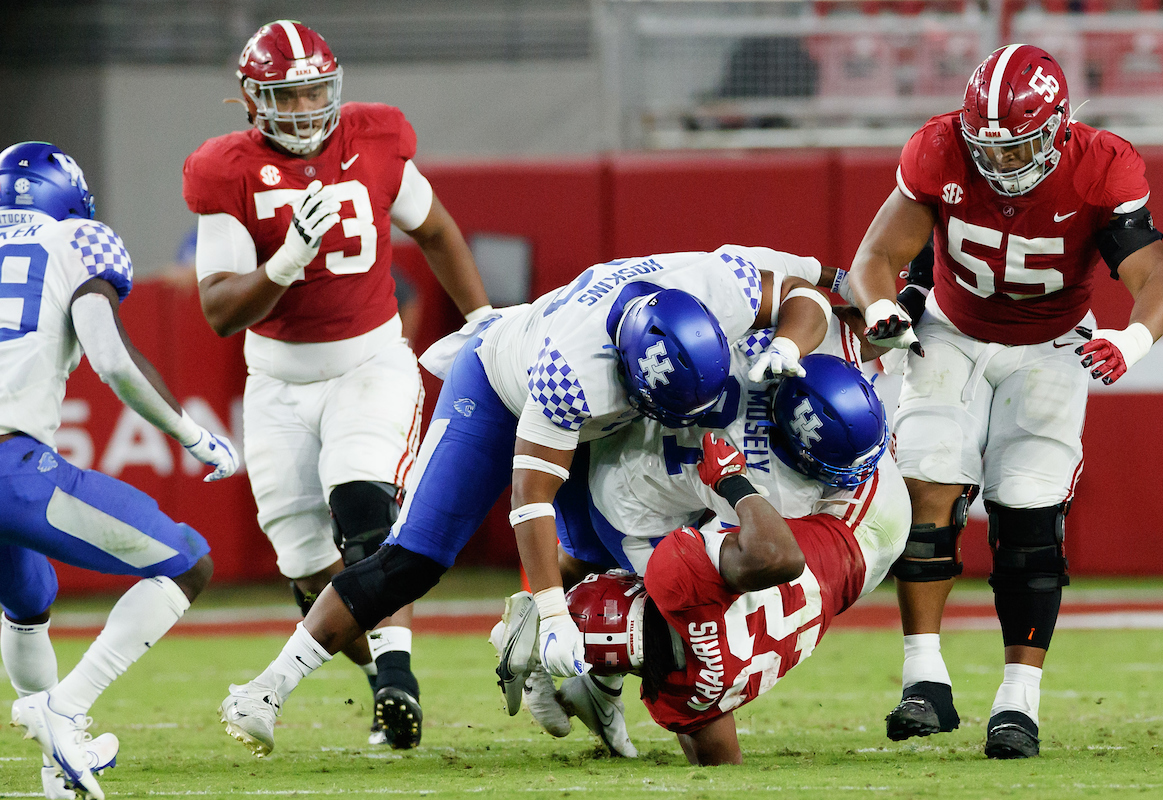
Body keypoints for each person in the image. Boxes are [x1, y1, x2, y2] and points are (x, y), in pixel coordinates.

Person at [216, 243, 835, 756]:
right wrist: (555, 613)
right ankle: (267, 687)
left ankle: (578, 678)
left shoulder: (714, 286)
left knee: (657, 569)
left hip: (608, 420)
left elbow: (804, 297)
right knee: (415, 558)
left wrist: (789, 347)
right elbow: (531, 496)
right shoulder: (573, 371)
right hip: (499, 388)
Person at [845, 43, 1163, 758]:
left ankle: (1017, 704)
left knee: (1029, 506)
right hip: (950, 329)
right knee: (929, 476)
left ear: (1059, 126)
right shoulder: (938, 149)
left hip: (1052, 342)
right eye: (985, 147)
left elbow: (1156, 281)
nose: (999, 163)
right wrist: (880, 309)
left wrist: (1134, 341)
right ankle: (923, 681)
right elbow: (875, 256)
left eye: (1018, 145)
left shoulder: (1103, 165)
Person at [181, 19, 493, 749]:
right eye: (289, 96)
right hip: (279, 383)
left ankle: (397, 681)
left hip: (369, 362)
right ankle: (374, 673)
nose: (307, 108)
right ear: (254, 100)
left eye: (317, 90)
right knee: (305, 565)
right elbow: (220, 311)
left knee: (363, 508)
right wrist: (284, 263)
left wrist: (481, 315)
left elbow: (438, 229)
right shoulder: (226, 170)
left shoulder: (374, 140)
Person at [496, 334, 910, 757]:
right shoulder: (679, 572)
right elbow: (777, 556)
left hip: (826, 581)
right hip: (856, 531)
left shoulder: (681, 696)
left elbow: (721, 764)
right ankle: (595, 686)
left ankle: (596, 686)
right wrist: (733, 481)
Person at [0, 142, 238, 800]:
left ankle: (56, 763)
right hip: (10, 469)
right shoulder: (74, 239)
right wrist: (190, 433)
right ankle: (65, 708)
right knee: (187, 562)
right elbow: (112, 361)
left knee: (26, 599)